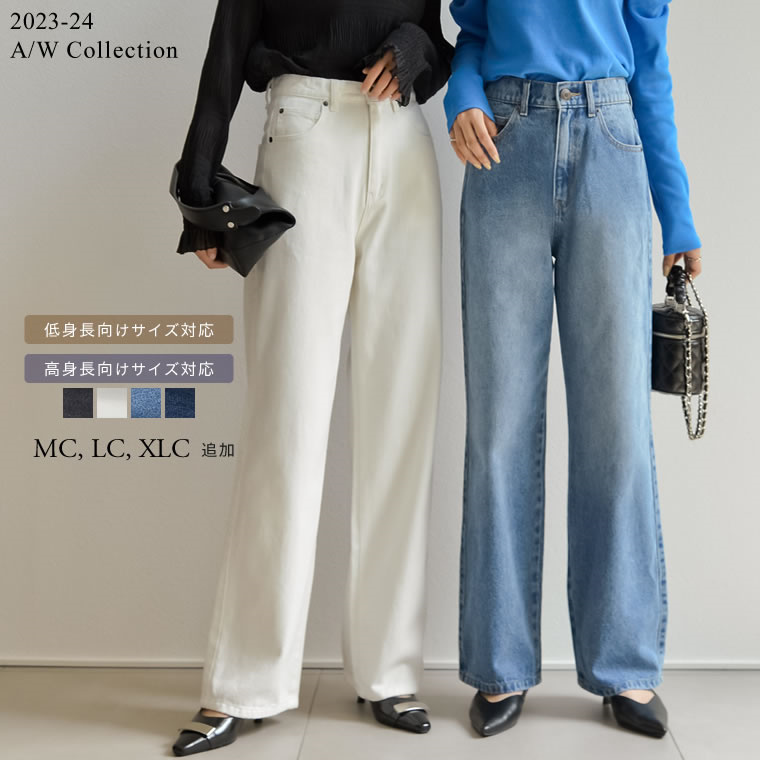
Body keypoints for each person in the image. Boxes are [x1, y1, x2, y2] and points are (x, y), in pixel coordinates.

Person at [170, 1, 452, 755]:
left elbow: (437, 41)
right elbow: (227, 47)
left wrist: (416, 46)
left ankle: (389, 671)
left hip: (404, 145)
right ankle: (243, 683)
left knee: (402, 417)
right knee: (285, 419)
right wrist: (198, 189)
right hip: (304, 134)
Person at [444, 0, 701, 740]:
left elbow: (650, 66)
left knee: (616, 426)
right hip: (504, 141)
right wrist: (463, 96)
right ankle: (500, 663)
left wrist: (677, 213)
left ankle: (623, 663)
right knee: (499, 427)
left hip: (612, 144)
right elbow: (474, 36)